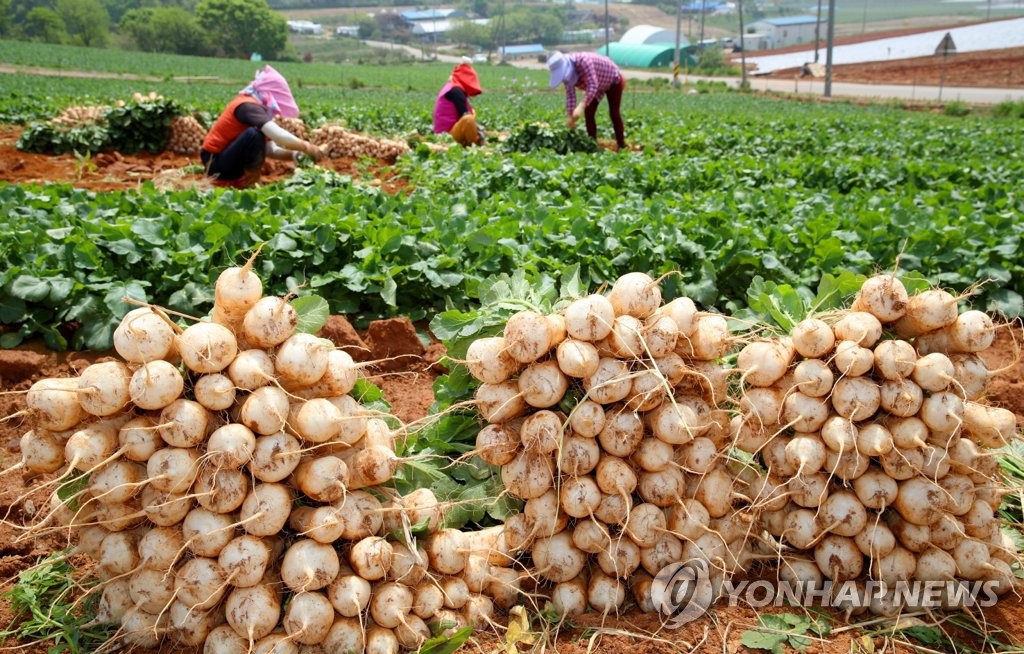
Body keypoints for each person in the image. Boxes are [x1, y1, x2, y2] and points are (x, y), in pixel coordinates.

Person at [201, 65, 324, 188]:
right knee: (254, 135)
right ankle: (250, 184)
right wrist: (307, 147)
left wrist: (294, 154)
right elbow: (278, 136)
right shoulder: (248, 107)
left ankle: (245, 181)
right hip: (214, 162)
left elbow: (270, 149)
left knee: (255, 135)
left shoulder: (258, 109)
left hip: (226, 161)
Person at [547, 51, 627, 150]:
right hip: (597, 85)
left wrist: (581, 105)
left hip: (612, 80)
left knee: (614, 113)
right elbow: (570, 96)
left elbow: (593, 86)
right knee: (589, 112)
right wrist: (571, 117)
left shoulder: (584, 61)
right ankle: (592, 143)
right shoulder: (567, 76)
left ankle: (621, 144)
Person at [433, 57, 485, 146]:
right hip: (447, 135)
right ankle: (474, 143)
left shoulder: (452, 87)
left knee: (471, 115)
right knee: (469, 119)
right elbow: (465, 116)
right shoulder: (456, 91)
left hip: (443, 132)